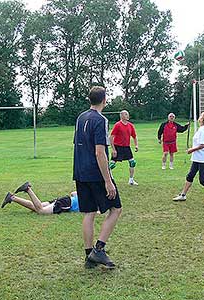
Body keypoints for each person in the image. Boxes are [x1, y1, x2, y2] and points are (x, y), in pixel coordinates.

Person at [73, 86, 122, 269]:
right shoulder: (101, 120)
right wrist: (108, 181)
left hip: (80, 172)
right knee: (116, 209)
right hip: (96, 174)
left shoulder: (80, 118)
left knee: (89, 213)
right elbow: (99, 152)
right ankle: (98, 250)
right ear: (105, 100)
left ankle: (89, 257)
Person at [172, 112, 204, 204]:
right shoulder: (201, 129)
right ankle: (183, 195)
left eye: (200, 116)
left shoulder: (203, 130)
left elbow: (203, 144)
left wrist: (191, 150)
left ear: (202, 120)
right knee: (190, 176)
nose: (199, 117)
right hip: (197, 158)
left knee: (202, 180)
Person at [1, 182, 79, 214]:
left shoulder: (86, 197)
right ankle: (28, 189)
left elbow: (73, 193)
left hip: (65, 199)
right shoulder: (90, 203)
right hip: (67, 203)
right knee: (41, 211)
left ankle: (12, 198)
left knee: (36, 207)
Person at [109, 110, 139, 185]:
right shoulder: (117, 125)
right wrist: (113, 149)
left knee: (132, 163)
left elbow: (134, 136)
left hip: (126, 147)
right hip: (117, 147)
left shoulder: (130, 125)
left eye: (128, 114)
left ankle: (131, 180)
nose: (127, 116)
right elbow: (111, 137)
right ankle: (108, 179)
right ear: (121, 116)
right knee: (111, 165)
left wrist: (136, 145)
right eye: (126, 114)